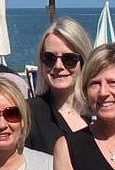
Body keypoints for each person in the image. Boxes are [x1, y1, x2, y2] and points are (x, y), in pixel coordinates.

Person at [25, 17, 91, 153]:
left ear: (84, 62)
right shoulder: (29, 113)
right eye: (49, 58)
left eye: (70, 59)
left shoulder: (102, 109)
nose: (58, 66)